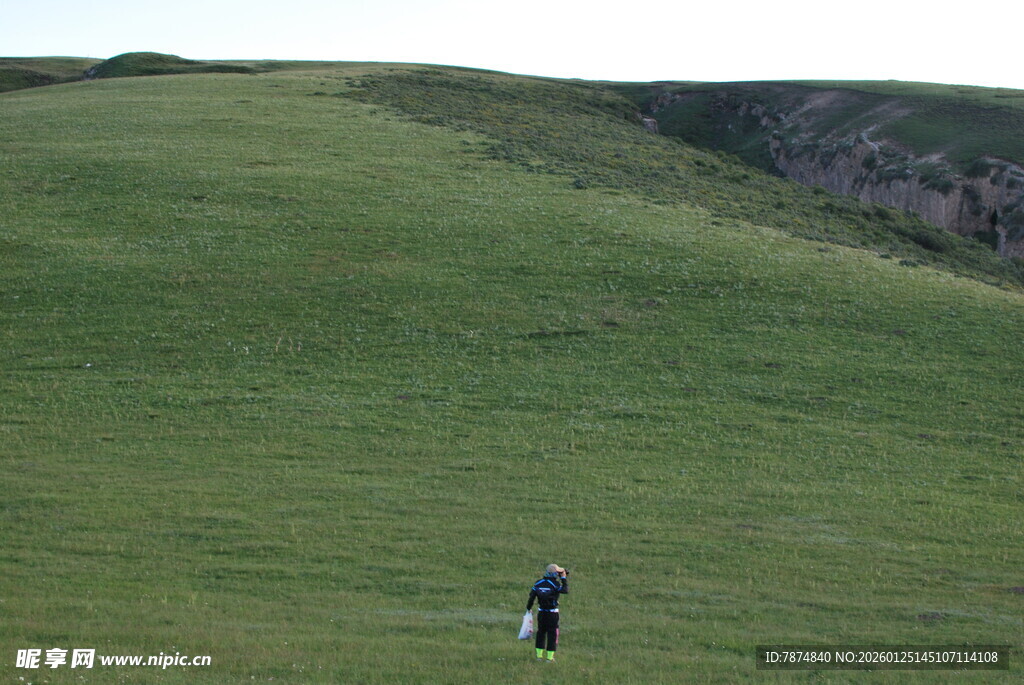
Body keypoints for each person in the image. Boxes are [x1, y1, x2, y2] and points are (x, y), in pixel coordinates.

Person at [526, 563, 569, 661]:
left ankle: (539, 656)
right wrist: (563, 578)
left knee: (541, 632)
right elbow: (565, 590)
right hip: (552, 613)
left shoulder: (538, 583)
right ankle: (550, 658)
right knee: (552, 634)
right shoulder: (555, 584)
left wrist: (528, 608)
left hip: (541, 612)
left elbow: (531, 597)